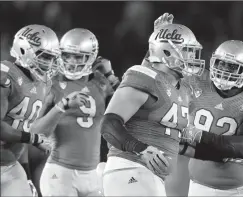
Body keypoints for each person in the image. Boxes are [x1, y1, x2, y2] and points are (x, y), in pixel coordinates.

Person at [100, 13, 206, 195]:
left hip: (146, 176)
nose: (192, 56)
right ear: (167, 52)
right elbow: (108, 124)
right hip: (130, 170)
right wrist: (141, 149)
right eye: (187, 50)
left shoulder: (179, 88)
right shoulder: (143, 77)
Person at [180, 40, 243, 196]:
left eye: (232, 66)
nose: (224, 69)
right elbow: (158, 75)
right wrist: (157, 45)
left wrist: (197, 135)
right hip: (202, 188)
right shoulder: (195, 82)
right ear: (212, 62)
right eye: (220, 63)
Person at [30, 28, 119, 196]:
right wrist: (63, 105)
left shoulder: (100, 82)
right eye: (67, 55)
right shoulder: (51, 84)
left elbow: (131, 106)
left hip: (93, 174)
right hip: (60, 172)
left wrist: (110, 74)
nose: (71, 61)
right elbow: (34, 131)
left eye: (78, 56)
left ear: (91, 56)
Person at [0, 24, 61, 196]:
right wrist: (34, 138)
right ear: (24, 50)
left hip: (10, 165)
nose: (49, 64)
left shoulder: (43, 85)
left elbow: (22, 130)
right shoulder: (6, 76)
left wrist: (27, 175)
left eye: (52, 58)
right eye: (45, 57)